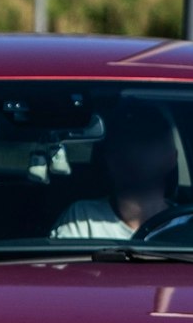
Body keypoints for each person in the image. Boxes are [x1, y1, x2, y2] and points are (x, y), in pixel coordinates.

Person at [51, 100, 176, 239]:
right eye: (127, 139)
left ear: (172, 157)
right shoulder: (83, 219)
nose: (135, 150)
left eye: (148, 138)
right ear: (110, 158)